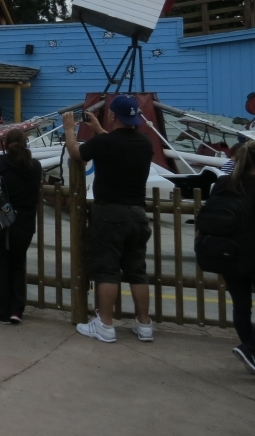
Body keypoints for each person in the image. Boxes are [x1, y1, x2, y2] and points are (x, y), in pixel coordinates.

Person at [62, 95, 155, 343]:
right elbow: (117, 145)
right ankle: (144, 324)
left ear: (112, 115)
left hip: (109, 213)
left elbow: (75, 152)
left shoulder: (106, 143)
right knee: (137, 271)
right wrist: (100, 130)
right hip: (137, 213)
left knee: (107, 270)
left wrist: (70, 130)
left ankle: (105, 324)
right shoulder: (145, 144)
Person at [0, 129, 41, 324]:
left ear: (5, 144)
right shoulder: (35, 167)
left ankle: (2, 309)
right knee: (17, 263)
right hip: (23, 222)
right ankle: (17, 309)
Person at [215, 141, 255, 372]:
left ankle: (250, 352)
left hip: (228, 252)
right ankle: (250, 348)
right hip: (252, 253)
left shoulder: (223, 183)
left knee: (241, 305)